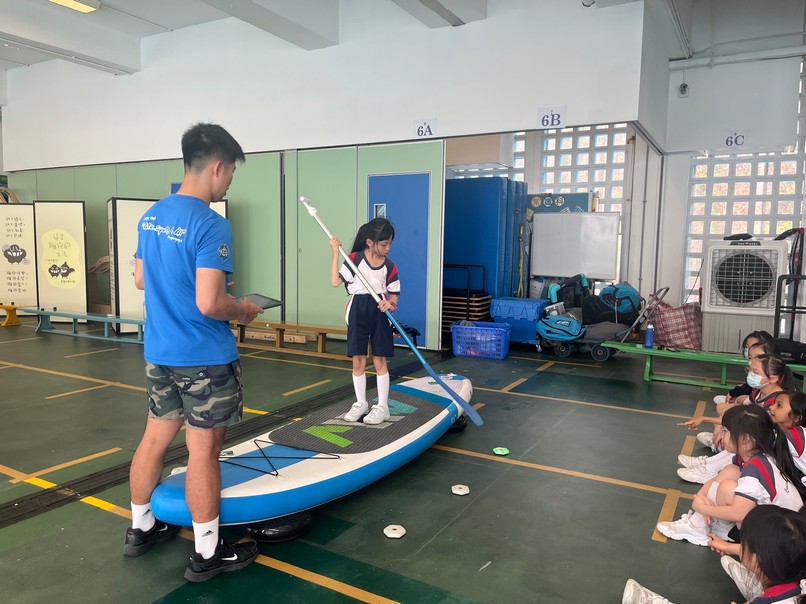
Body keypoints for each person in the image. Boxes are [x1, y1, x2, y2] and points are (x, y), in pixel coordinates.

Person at [124, 123, 263, 582]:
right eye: (231, 173)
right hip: (202, 355)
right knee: (203, 451)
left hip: (159, 350)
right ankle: (206, 552)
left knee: (155, 438)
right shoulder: (210, 223)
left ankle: (141, 528)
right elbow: (209, 303)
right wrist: (242, 309)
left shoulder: (151, 216)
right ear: (217, 167)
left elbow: (141, 279)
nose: (229, 182)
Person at [657, 405, 806, 548]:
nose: (722, 435)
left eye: (725, 431)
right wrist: (700, 496)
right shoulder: (756, 456)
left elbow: (739, 513)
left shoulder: (754, 468)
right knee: (730, 470)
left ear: (746, 439)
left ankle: (702, 527)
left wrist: (702, 507)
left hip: (778, 540)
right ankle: (702, 525)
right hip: (776, 526)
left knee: (728, 487)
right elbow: (717, 478)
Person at [624, 505, 806, 604]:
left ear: (760, 560)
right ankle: (758, 588)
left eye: (745, 543)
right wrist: (728, 546)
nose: (742, 545)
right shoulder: (797, 582)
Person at [677, 352, 793, 484]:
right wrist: (720, 423)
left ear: (772, 378)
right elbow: (741, 413)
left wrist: (706, 419)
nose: (750, 374)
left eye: (755, 372)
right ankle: (710, 460)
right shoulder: (758, 392)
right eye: (750, 370)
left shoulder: (774, 402)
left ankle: (709, 469)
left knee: (741, 440)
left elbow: (747, 424)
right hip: (757, 437)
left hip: (770, 446)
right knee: (733, 428)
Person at [330, 217, 400, 425]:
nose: (388, 248)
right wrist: (335, 253)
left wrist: (390, 305)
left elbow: (394, 295)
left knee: (380, 360)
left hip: (379, 311)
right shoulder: (354, 259)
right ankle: (361, 403)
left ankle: (383, 407)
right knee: (358, 360)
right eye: (384, 244)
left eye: (390, 244)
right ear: (369, 242)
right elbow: (335, 282)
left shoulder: (389, 266)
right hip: (357, 311)